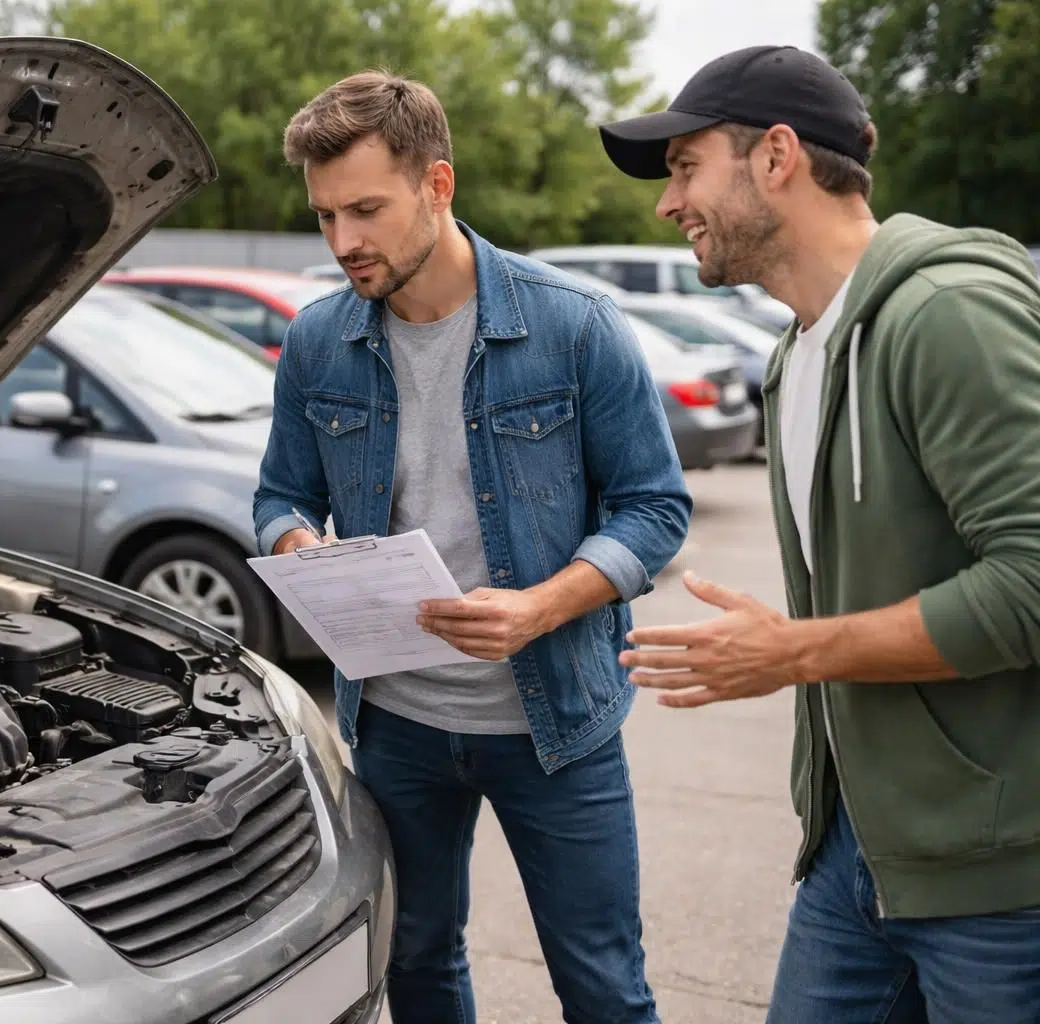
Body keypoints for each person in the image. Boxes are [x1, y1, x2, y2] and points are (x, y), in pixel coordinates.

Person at [599, 44, 1040, 1022]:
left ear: (777, 157)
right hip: (854, 854)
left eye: (683, 166)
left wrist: (790, 651)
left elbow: (1032, 581)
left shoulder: (946, 314)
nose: (669, 204)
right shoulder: (792, 361)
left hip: (1002, 885)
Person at [253, 70, 692, 1024]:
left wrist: (540, 606)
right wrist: (293, 542)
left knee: (604, 988)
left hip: (556, 725)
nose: (344, 243)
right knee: (414, 963)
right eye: (326, 216)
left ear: (438, 185)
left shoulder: (574, 326)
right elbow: (281, 494)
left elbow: (654, 509)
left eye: (366, 210)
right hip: (397, 725)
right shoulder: (320, 342)